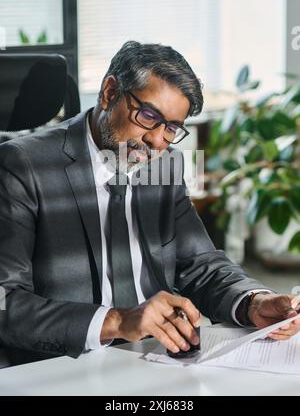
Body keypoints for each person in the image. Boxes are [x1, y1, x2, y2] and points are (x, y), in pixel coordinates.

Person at [0, 41, 299, 366]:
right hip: (64, 364)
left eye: (172, 127)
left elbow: (199, 264)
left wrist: (254, 301)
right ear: (109, 92)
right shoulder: (23, 166)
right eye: (149, 116)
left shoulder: (164, 164)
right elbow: (5, 299)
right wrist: (117, 321)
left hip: (156, 359)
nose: (157, 140)